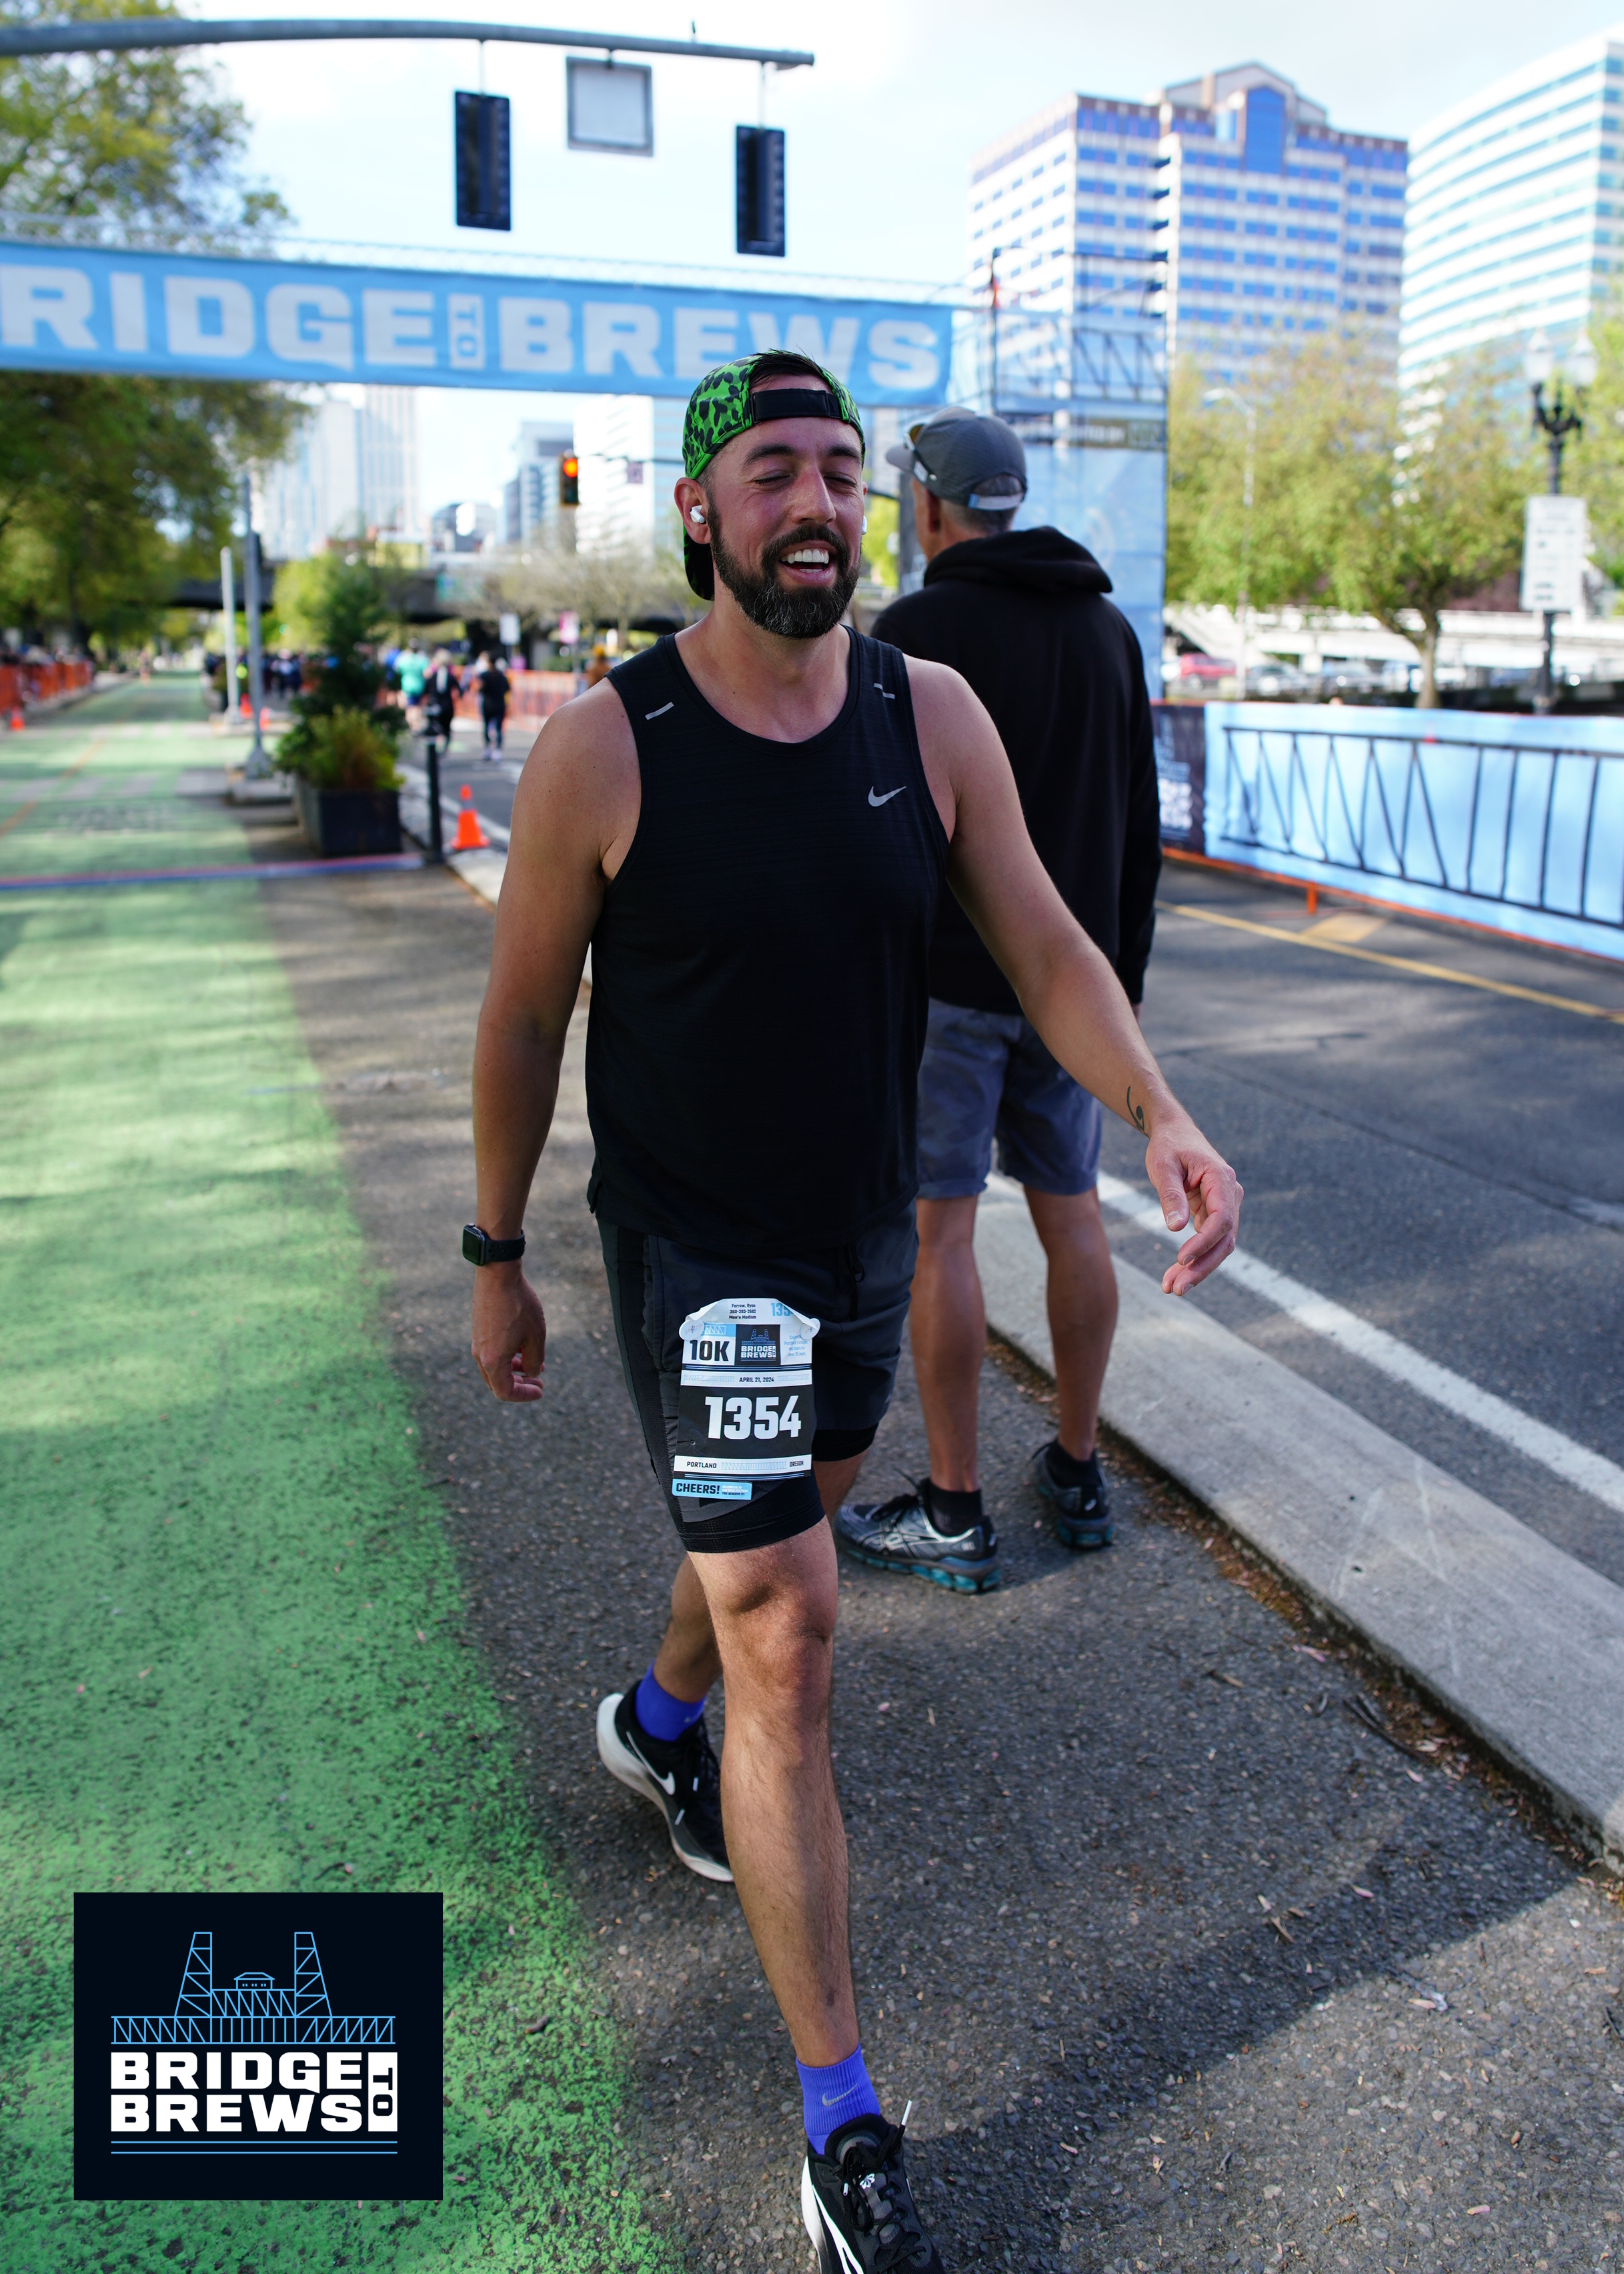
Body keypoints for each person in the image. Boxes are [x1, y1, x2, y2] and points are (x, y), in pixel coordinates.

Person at [467, 349, 1240, 2273]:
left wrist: (1157, 1112)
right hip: (703, 1258)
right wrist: (493, 1250)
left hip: (861, 1238)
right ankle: (843, 2124)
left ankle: (655, 1722)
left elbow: (1041, 936)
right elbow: (525, 1015)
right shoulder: (609, 745)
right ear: (701, 514)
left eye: (837, 470)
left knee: (785, 1535)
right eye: (771, 472)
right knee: (795, 1625)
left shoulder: (930, 710)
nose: (812, 501)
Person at [837, 410, 1160, 1590]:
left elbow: (870, 833)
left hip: (950, 986)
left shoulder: (917, 634)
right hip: (1073, 992)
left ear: (929, 508)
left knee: (944, 1232)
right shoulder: (1106, 631)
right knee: (1073, 1215)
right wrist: (1117, 1003)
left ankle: (956, 1504)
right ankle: (1076, 1467)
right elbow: (1138, 829)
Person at [475, 650, 510, 755]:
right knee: (499, 728)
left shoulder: (485, 675)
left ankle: (488, 748)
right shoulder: (501, 675)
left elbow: (480, 688)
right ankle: (498, 749)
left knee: (486, 727)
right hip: (499, 703)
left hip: (488, 704)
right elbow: (507, 689)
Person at [421, 651, 456, 750]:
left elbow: (425, 691)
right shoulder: (444, 676)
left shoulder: (436, 676)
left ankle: (440, 747)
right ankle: (441, 747)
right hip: (443, 706)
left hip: (439, 706)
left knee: (440, 727)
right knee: (443, 728)